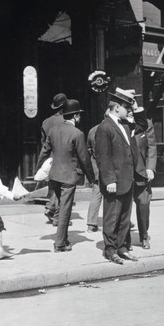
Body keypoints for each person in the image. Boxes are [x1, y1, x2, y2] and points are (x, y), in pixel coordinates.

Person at [36, 99, 95, 252]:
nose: (80, 118)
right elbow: (84, 158)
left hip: (54, 175)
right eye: (79, 115)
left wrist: (38, 170)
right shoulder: (78, 133)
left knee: (61, 208)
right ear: (75, 116)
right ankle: (60, 243)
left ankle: (64, 238)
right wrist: (92, 178)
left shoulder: (53, 130)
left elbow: (44, 152)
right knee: (65, 210)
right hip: (69, 177)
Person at [95, 89, 145, 264]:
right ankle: (110, 250)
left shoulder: (125, 125)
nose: (129, 110)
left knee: (125, 217)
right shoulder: (105, 127)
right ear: (116, 107)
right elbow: (103, 156)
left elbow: (142, 125)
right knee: (112, 217)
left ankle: (122, 247)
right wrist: (109, 180)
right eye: (126, 107)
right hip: (114, 182)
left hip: (127, 179)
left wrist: (136, 107)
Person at [125, 112, 157, 250]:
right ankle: (125, 240)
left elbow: (152, 148)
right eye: (126, 106)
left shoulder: (146, 123)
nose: (129, 110)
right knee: (125, 209)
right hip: (125, 173)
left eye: (131, 106)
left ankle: (144, 236)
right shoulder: (119, 123)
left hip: (142, 173)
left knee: (144, 204)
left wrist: (150, 168)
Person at [40, 93, 67, 226]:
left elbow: (43, 142)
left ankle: (50, 208)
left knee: (53, 184)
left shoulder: (46, 122)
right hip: (63, 157)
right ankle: (54, 212)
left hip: (50, 156)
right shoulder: (66, 120)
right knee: (62, 186)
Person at [85, 119, 103, 233]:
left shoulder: (92, 130)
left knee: (96, 193)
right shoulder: (111, 129)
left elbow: (89, 148)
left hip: (96, 166)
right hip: (110, 168)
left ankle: (91, 224)